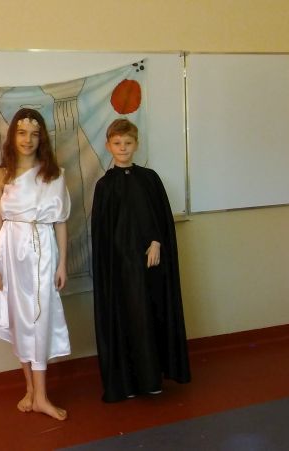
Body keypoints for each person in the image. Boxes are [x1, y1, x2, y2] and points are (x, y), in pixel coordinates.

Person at [90, 118, 191, 402]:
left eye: (128, 143)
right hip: (120, 269)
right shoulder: (104, 186)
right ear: (109, 146)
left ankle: (152, 378)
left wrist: (156, 242)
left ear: (136, 144)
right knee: (126, 318)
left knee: (149, 315)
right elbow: (102, 234)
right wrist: (115, 264)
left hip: (150, 266)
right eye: (117, 143)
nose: (123, 148)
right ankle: (128, 383)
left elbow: (159, 218)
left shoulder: (149, 179)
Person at [0, 108, 71, 420]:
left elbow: (60, 221)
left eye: (34, 134)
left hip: (44, 251)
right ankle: (31, 390)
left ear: (41, 138)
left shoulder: (53, 174)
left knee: (40, 317)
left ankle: (42, 396)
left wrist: (62, 264)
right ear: (12, 136)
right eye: (22, 133)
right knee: (19, 318)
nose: (28, 140)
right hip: (11, 251)